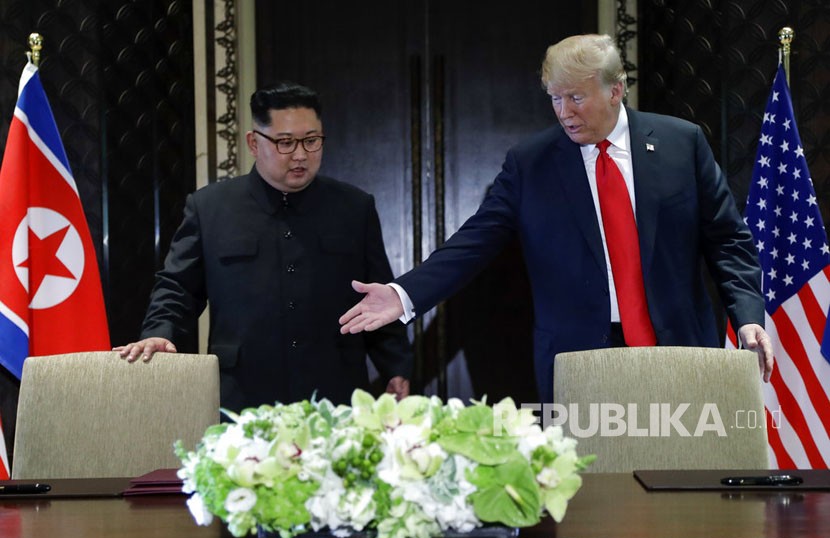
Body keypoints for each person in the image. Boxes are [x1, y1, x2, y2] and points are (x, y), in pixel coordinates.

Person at [339, 34, 773, 403]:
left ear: (615, 90)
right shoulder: (531, 165)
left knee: (680, 487)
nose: (564, 112)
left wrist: (748, 315)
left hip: (679, 352)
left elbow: (727, 239)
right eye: (555, 99)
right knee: (590, 496)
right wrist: (404, 295)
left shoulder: (683, 144)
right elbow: (472, 243)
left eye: (576, 98)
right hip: (579, 362)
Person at [115, 82, 412, 411]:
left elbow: (378, 295)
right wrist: (160, 331)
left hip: (334, 392)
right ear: (254, 143)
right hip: (242, 397)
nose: (300, 155)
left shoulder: (354, 208)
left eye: (311, 141)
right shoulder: (211, 208)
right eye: (285, 142)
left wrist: (396, 367)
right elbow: (178, 287)